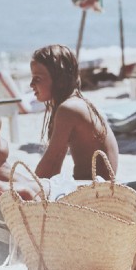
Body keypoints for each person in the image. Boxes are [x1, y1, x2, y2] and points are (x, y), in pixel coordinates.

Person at [26, 44, 118, 182]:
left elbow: (50, 166)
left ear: (60, 81)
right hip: (101, 188)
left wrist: (32, 188)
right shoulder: (80, 103)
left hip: (92, 192)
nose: (31, 84)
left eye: (37, 78)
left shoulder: (68, 110)